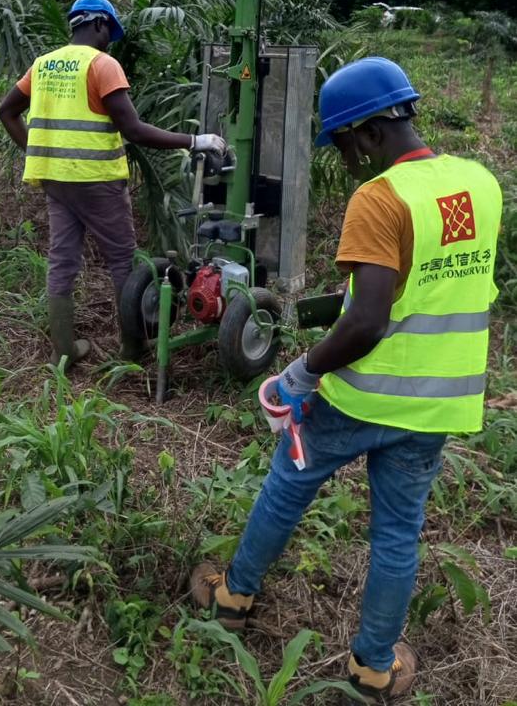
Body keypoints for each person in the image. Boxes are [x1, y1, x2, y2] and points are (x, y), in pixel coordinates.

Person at [190, 57, 502, 701]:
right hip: (438, 405)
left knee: (287, 484)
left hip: (362, 396)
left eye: (341, 142)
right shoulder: (480, 182)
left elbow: (365, 323)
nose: (345, 157)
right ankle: (373, 666)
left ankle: (234, 597)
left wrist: (298, 375)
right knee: (397, 534)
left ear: (367, 131)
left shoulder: (380, 198)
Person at [0, 0, 225, 367]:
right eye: (110, 32)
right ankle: (133, 349)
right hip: (97, 180)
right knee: (122, 261)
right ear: (99, 23)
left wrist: (37, 151)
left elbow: (6, 112)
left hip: (55, 180)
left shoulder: (42, 65)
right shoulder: (103, 65)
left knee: (62, 262)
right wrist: (194, 140)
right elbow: (133, 130)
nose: (110, 40)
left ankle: (64, 351)